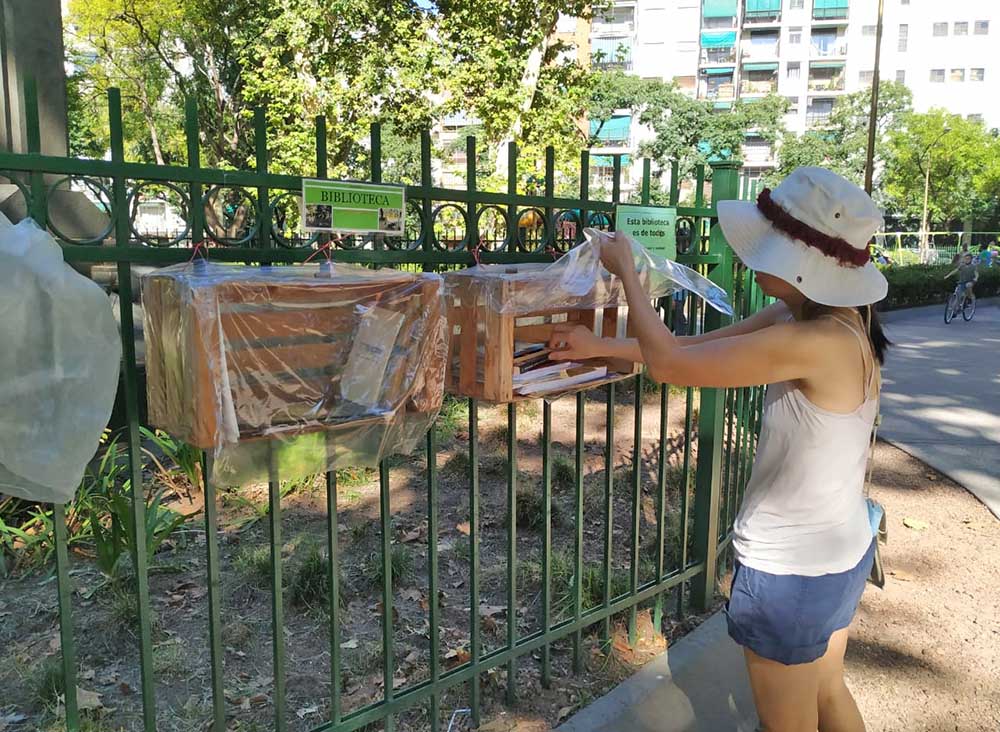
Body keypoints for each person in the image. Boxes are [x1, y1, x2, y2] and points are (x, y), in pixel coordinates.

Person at [548, 167, 889, 732]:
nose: (753, 258)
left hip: (793, 569)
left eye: (766, 247)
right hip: (837, 549)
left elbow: (674, 366)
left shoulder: (812, 341)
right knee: (827, 691)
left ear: (800, 264)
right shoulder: (827, 321)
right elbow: (692, 347)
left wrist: (628, 273)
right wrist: (596, 344)